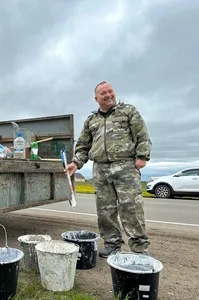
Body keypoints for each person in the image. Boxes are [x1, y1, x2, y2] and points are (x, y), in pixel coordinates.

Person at [65, 81, 152, 258]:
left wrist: (142, 156)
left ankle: (140, 248)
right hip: (101, 169)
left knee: (131, 208)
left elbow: (142, 134)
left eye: (110, 91)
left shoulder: (128, 111)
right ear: (96, 98)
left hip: (126, 166)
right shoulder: (91, 120)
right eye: (103, 93)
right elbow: (83, 146)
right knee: (105, 210)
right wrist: (76, 163)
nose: (108, 95)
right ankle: (112, 245)